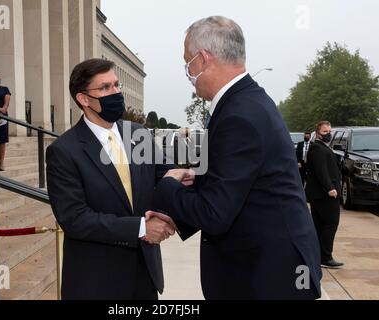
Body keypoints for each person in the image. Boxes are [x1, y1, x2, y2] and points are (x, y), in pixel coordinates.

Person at [152, 16, 322, 299]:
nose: (187, 70)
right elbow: (240, 185)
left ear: (204, 59)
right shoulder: (245, 101)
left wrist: (168, 185)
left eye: (188, 62)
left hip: (267, 277)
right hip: (269, 267)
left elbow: (216, 213)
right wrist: (184, 208)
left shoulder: (238, 115)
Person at [46, 59, 176, 300]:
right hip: (96, 282)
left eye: (116, 85)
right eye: (105, 88)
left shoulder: (138, 134)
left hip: (144, 277)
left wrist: (184, 179)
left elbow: (165, 176)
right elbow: (75, 219)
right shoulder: (64, 151)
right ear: (83, 99)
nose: (116, 92)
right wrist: (140, 228)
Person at [305, 121, 344, 269]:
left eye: (330, 131)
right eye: (325, 132)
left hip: (322, 194)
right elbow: (321, 171)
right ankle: (326, 257)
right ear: (318, 132)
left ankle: (320, 256)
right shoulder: (316, 148)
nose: (328, 134)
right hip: (325, 194)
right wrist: (330, 188)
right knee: (330, 223)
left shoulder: (322, 148)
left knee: (320, 225)